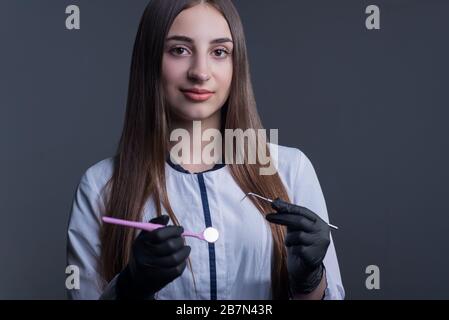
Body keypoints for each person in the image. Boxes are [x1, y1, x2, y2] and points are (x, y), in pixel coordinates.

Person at [66, 0, 345, 300]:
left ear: (236, 64)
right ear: (149, 60)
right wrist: (130, 287)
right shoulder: (101, 185)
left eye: (219, 52)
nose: (201, 72)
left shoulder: (291, 169)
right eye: (179, 50)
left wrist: (308, 280)